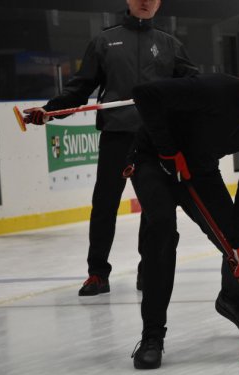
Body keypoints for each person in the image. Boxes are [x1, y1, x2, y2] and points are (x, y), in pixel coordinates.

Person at [128, 65, 239, 369]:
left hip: (200, 170)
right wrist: (168, 150)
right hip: (153, 160)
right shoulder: (216, 89)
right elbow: (144, 95)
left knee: (232, 236)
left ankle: (232, 299)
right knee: (161, 229)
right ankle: (152, 336)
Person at [23, 0, 198, 296]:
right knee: (104, 205)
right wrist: (50, 111)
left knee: (155, 207)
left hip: (156, 138)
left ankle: (150, 269)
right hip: (117, 135)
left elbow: (194, 87)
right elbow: (79, 88)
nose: (146, 2)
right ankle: (97, 274)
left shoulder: (170, 45)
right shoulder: (104, 41)